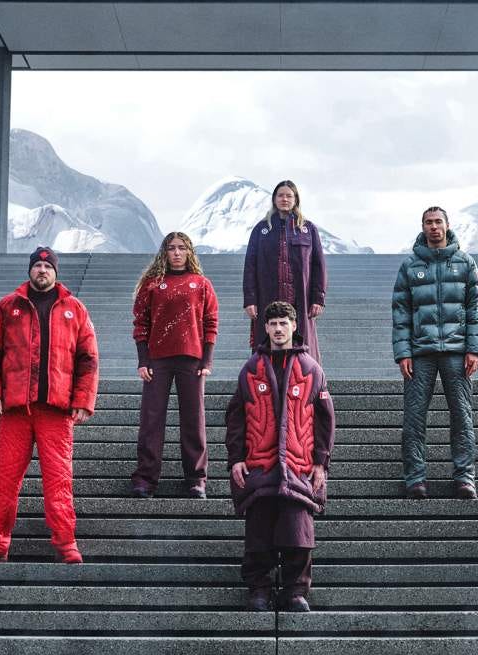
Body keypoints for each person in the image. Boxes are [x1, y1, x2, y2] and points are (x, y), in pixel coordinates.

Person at [0, 247, 99, 564]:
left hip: (56, 412)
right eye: (38, 265)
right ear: (30, 270)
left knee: (59, 481)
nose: (42, 270)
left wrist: (83, 399)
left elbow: (88, 359)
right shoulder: (8, 307)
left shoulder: (75, 309)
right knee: (5, 481)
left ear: (56, 272)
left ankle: (66, 544)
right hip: (16, 410)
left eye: (48, 266)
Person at [226, 301, 335, 612]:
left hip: (299, 467)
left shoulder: (312, 369)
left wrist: (321, 462)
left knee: (298, 533)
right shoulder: (250, 369)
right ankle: (259, 590)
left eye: (283, 323)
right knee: (258, 534)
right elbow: (235, 418)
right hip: (260, 466)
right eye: (272, 323)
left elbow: (325, 420)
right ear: (265, 327)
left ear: (294, 326)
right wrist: (236, 458)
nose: (277, 329)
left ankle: (295, 591)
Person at [391, 206, 478, 500]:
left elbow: (475, 308)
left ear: (447, 225)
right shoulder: (409, 266)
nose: (434, 227)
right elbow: (401, 312)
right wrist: (403, 353)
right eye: (428, 222)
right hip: (420, 353)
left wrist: (475, 349)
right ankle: (415, 478)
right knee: (414, 417)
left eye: (438, 222)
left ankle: (465, 477)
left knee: (462, 416)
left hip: (457, 352)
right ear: (423, 227)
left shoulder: (465, 262)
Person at [129, 232, 220, 499]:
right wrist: (143, 359)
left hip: (192, 360)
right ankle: (146, 479)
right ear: (164, 253)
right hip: (157, 360)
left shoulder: (201, 284)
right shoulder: (152, 284)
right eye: (171, 248)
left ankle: (196, 479)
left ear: (189, 252)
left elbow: (211, 322)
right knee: (151, 419)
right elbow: (140, 323)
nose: (177, 253)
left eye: (182, 248)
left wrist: (207, 359)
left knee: (193, 419)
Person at [243, 180, 327, 363]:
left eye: (289, 196)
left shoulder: (308, 229)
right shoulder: (261, 230)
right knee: (266, 350)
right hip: (268, 300)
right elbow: (250, 266)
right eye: (280, 195)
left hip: (300, 302)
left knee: (303, 352)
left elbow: (318, 265)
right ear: (274, 199)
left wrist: (318, 298)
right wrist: (250, 300)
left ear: (296, 199)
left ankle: (303, 380)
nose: (285, 199)